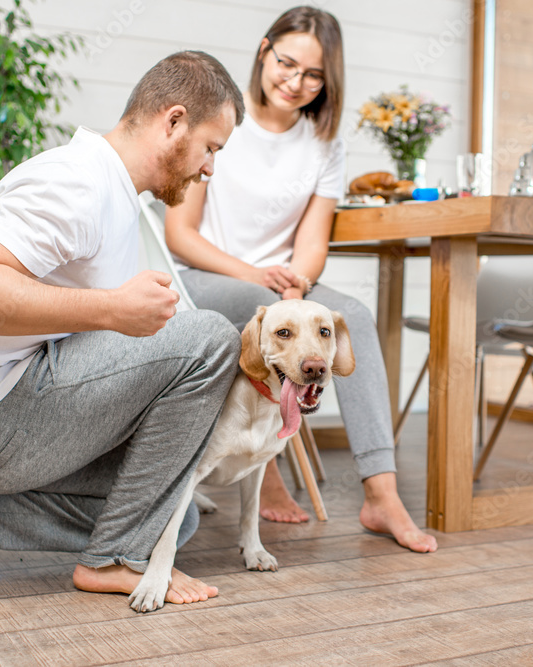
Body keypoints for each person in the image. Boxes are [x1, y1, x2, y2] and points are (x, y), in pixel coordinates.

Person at [0, 51, 247, 606]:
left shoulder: (116, 193)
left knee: (176, 516)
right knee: (212, 338)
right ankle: (112, 559)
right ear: (173, 122)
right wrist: (111, 309)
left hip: (1, 422)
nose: (210, 168)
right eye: (210, 147)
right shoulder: (77, 183)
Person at [165, 8, 437, 552]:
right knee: (263, 311)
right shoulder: (222, 123)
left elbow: (313, 243)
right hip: (211, 276)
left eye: (313, 75)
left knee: (351, 318)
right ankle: (264, 464)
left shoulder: (324, 144)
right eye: (286, 63)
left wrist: (297, 285)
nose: (296, 81)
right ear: (264, 51)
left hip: (287, 284)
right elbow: (180, 234)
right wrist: (257, 276)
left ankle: (381, 495)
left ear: (327, 81)